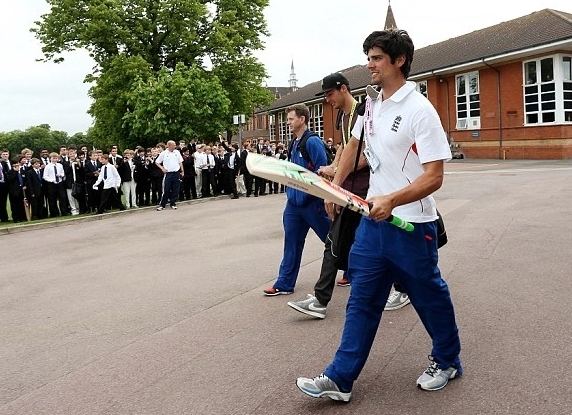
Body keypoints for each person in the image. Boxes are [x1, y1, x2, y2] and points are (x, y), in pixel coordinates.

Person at [296, 29, 462, 401]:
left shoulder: (420, 110)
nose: (368, 65)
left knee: (428, 296)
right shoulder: (371, 105)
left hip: (411, 225)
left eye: (376, 58)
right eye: (368, 57)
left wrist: (393, 198)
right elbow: (354, 145)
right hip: (373, 224)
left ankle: (448, 359)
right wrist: (335, 189)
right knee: (362, 300)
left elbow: (434, 176)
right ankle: (340, 378)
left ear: (398, 61)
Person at [286, 72, 370, 319]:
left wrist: (335, 180)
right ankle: (321, 300)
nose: (327, 99)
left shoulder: (362, 112)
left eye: (329, 94)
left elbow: (365, 156)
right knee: (335, 241)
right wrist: (334, 168)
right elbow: (345, 148)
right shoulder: (342, 116)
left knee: (370, 241)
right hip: (349, 186)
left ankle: (402, 285)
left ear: (343, 88)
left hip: (364, 188)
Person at [263, 104, 330, 296]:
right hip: (293, 205)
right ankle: (284, 283)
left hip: (312, 204)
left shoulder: (312, 142)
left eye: (291, 119)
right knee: (291, 243)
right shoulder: (293, 142)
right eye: (288, 119)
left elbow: (323, 171)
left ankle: (354, 271)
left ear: (302, 119)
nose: (288, 122)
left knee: (332, 240)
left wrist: (325, 199)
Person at [155, 140, 184, 210]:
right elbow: (157, 162)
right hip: (168, 174)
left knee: (176, 189)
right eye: (173, 145)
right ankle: (162, 205)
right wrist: (162, 168)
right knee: (166, 189)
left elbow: (180, 162)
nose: (175, 146)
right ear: (169, 145)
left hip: (176, 173)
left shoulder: (177, 152)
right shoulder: (163, 153)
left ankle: (173, 203)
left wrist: (182, 171)